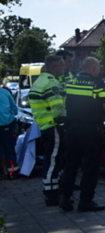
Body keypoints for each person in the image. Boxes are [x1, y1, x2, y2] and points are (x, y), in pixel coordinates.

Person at [58, 57, 105, 212]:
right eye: (99, 68)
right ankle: (86, 201)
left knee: (71, 165)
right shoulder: (97, 84)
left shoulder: (69, 82)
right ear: (94, 69)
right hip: (90, 130)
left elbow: (63, 103)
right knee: (91, 167)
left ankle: (65, 198)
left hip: (71, 129)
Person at [29, 54, 67, 206]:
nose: (64, 68)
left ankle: (51, 188)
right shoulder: (52, 83)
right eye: (61, 65)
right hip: (53, 125)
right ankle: (51, 193)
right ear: (53, 67)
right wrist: (64, 122)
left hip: (44, 124)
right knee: (53, 159)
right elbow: (57, 107)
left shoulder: (40, 81)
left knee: (51, 158)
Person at [0, 85, 18, 178]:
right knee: (9, 149)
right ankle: (12, 172)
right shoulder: (5, 92)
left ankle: (3, 172)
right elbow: (15, 110)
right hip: (6, 125)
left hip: (5, 124)